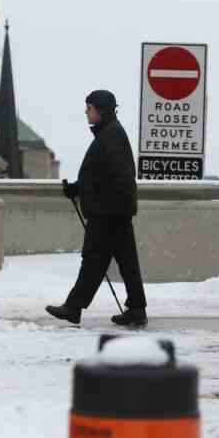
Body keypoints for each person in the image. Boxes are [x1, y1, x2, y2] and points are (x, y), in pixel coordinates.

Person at [46, 90, 148, 326]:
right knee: (125, 261)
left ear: (100, 110)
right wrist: (79, 188)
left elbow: (111, 177)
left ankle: (73, 308)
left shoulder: (110, 137)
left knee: (93, 260)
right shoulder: (111, 134)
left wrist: (87, 194)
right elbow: (101, 174)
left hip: (108, 213)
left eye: (89, 107)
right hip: (116, 211)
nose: (86, 111)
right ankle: (136, 308)